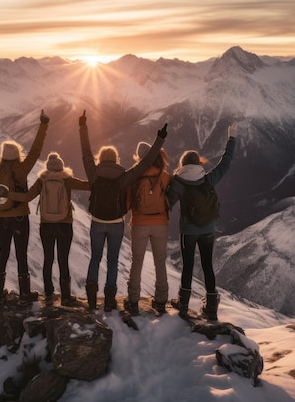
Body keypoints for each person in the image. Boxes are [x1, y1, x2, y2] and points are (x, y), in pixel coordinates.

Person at [79, 110, 168, 311]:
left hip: (97, 222)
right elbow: (145, 163)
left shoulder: (93, 173)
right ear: (116, 159)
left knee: (95, 258)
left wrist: (83, 127)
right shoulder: (124, 177)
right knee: (112, 260)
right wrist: (159, 140)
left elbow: (85, 152)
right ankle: (110, 300)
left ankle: (92, 298)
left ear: (101, 159)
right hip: (116, 224)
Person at [167, 123, 238, 321]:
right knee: (207, 265)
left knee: (188, 265)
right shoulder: (208, 179)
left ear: (182, 164)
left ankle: (183, 304)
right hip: (208, 229)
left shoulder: (177, 182)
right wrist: (231, 138)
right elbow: (226, 162)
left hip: (188, 232)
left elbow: (167, 203)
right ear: (198, 163)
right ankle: (212, 306)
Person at [0, 152, 90, 305]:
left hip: (46, 224)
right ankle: (66, 297)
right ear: (62, 166)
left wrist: (8, 194)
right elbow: (87, 186)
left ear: (47, 167)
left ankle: (48, 293)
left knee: (48, 258)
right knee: (63, 259)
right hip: (65, 224)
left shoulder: (42, 181)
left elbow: (27, 197)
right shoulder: (67, 180)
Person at [0, 110, 49, 304]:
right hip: (19, 217)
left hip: (1, 218)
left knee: (3, 253)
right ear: (17, 154)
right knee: (21, 255)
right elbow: (36, 151)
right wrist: (43, 126)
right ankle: (25, 294)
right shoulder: (20, 169)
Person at [124, 143, 171, 315]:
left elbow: (128, 203)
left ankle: (133, 301)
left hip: (139, 223)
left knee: (137, 262)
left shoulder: (134, 178)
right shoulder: (165, 177)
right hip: (160, 224)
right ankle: (160, 301)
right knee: (160, 262)